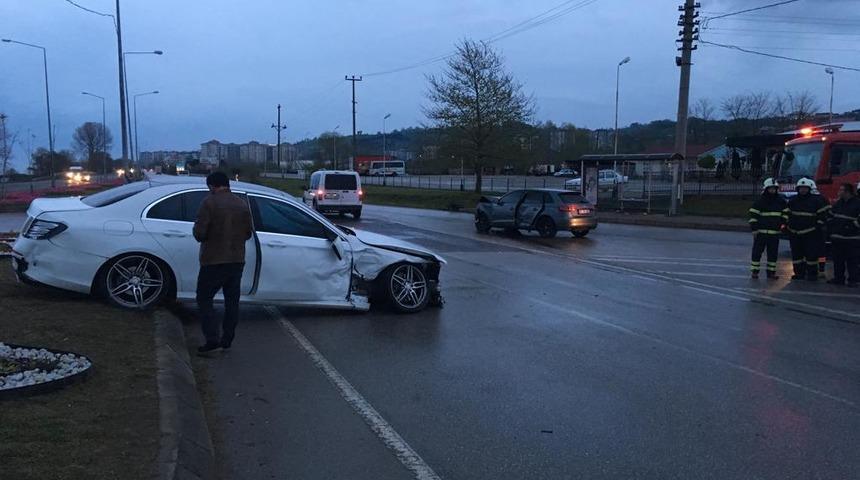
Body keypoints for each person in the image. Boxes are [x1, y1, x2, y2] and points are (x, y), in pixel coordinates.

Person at [193, 172, 254, 354]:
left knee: (204, 299)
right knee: (232, 302)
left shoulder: (208, 203)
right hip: (236, 260)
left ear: (212, 185)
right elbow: (248, 233)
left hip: (213, 260)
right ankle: (227, 339)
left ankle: (212, 339)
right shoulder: (241, 204)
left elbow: (200, 234)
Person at [785, 178, 830, 281]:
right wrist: (787, 226)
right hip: (795, 233)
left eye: (805, 188)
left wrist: (817, 227)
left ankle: (812, 274)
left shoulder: (816, 201)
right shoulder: (793, 201)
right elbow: (787, 215)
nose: (803, 190)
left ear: (809, 189)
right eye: (801, 188)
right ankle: (798, 273)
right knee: (797, 256)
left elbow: (822, 216)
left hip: (811, 233)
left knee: (811, 255)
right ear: (798, 189)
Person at [748, 178, 787, 280]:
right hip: (761, 232)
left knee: (773, 254)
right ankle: (755, 272)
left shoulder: (780, 201)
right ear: (766, 189)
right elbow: (753, 217)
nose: (772, 190)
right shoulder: (760, 201)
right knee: (757, 253)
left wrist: (783, 224)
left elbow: (786, 214)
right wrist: (754, 229)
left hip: (774, 233)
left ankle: (771, 273)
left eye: (774, 189)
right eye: (770, 189)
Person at [826, 182, 860, 287]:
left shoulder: (857, 203)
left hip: (852, 238)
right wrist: (831, 228)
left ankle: (853, 280)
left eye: (841, 190)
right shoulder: (838, 203)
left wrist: (851, 226)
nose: (839, 192)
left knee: (852, 261)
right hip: (837, 237)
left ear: (847, 192)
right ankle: (838, 278)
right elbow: (830, 216)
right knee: (838, 260)